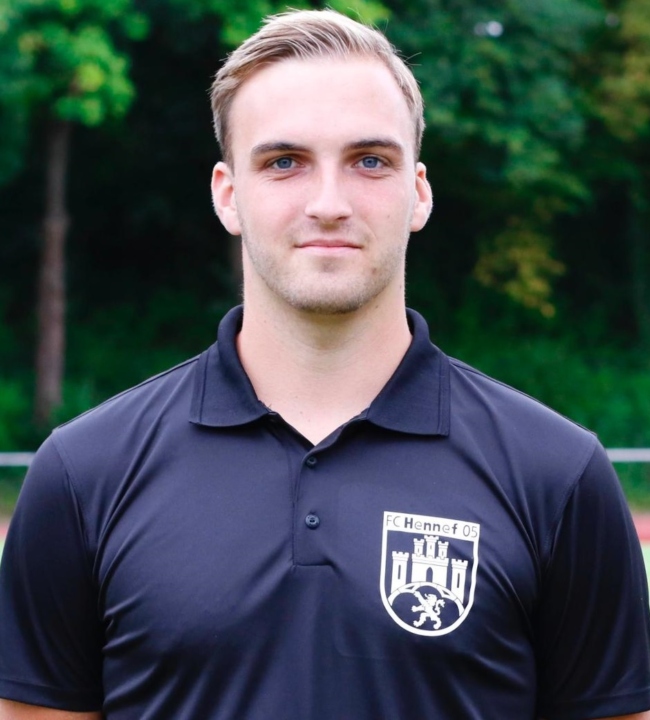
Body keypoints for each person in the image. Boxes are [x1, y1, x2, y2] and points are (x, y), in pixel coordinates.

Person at [0, 8, 649, 720]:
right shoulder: (83, 475)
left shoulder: (558, 476)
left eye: (370, 161)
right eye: (284, 162)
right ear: (228, 195)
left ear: (419, 193)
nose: (330, 204)